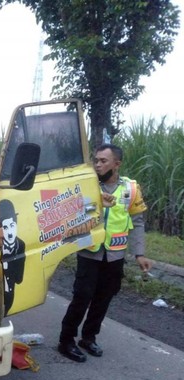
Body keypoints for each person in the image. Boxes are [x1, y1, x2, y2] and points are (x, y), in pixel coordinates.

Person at [58, 144, 152, 362]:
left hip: (115, 255)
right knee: (82, 297)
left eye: (103, 161)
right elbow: (74, 216)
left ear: (117, 164)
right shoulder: (86, 186)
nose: (98, 165)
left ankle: (88, 338)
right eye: (96, 160)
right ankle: (66, 340)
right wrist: (97, 202)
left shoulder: (131, 189)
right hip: (90, 252)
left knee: (104, 298)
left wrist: (140, 253)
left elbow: (137, 222)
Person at [0, 199, 26, 315]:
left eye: (12, 225)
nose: (10, 232)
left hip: (10, 293)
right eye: (5, 227)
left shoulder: (20, 245)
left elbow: (19, 279)